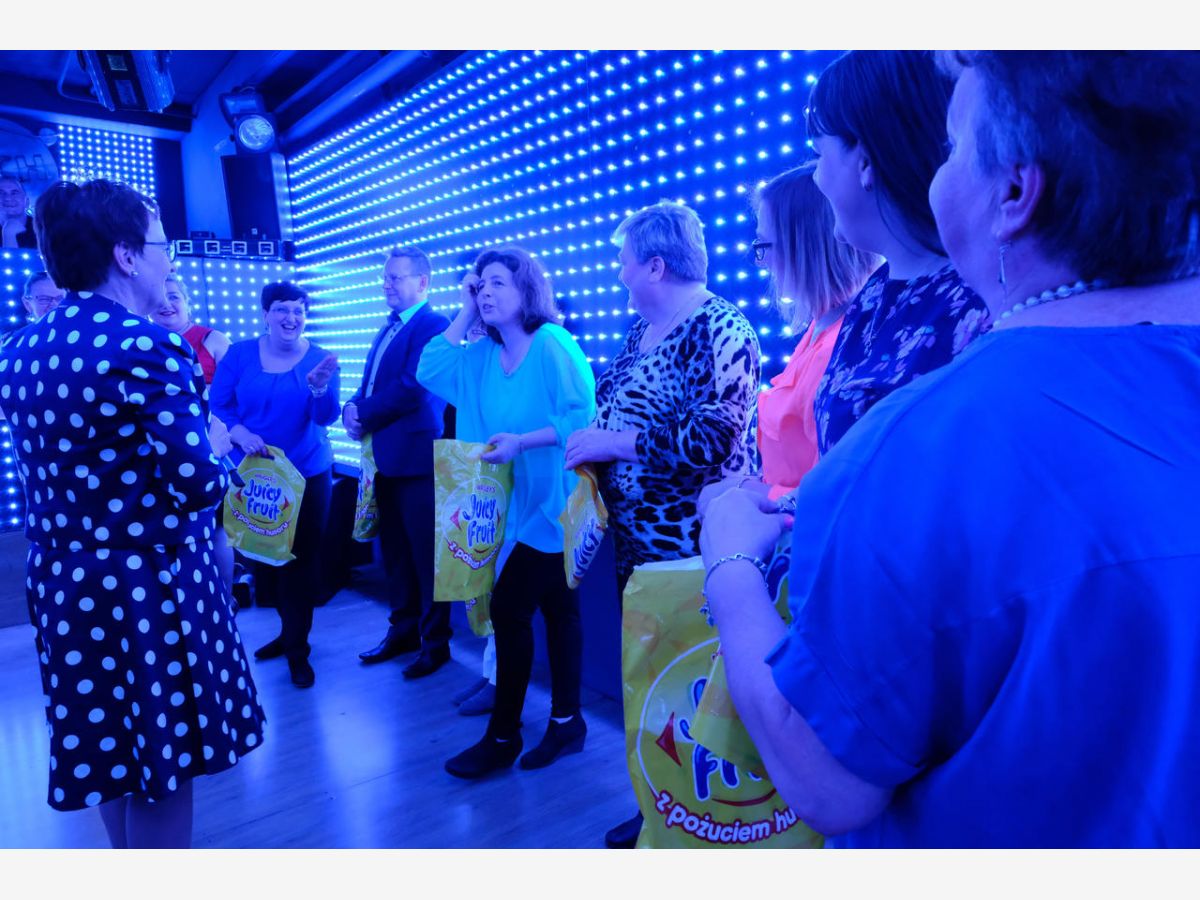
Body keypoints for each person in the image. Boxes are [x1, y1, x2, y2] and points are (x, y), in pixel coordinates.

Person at [699, 51, 1200, 847]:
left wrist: (728, 564)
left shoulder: (925, 444)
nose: (934, 176)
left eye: (954, 146)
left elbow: (825, 776)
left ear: (1013, 193)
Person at [0, 179, 264, 848]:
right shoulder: (145, 347)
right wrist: (221, 448)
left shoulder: (19, 351)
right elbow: (197, 485)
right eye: (160, 244)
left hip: (64, 583)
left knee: (112, 752)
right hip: (148, 585)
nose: (167, 258)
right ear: (125, 255)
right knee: (162, 764)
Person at [562, 200, 762, 848]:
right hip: (637, 550)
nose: (618, 273)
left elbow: (715, 435)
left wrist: (613, 444)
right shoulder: (638, 331)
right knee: (649, 683)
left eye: (624, 262)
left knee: (691, 689)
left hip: (689, 553)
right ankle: (660, 805)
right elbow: (617, 413)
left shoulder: (719, 325)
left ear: (654, 265)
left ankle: (707, 819)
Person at [417, 246, 596, 779]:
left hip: (553, 506)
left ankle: (502, 736)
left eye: (498, 282)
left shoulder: (552, 343)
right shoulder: (479, 357)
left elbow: (583, 417)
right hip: (504, 509)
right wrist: (465, 310)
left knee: (509, 609)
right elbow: (429, 368)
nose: (486, 292)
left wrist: (523, 442)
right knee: (561, 613)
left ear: (527, 290)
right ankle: (567, 722)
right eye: (480, 284)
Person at [804, 50, 991, 455]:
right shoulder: (876, 291)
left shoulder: (979, 300)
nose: (816, 178)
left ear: (865, 160)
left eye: (819, 155)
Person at [700, 164, 877, 518]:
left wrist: (749, 491)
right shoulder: (818, 328)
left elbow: (838, 498)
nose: (762, 262)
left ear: (806, 246)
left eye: (765, 245)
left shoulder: (842, 350)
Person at [210, 281, 340, 689]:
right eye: (282, 309)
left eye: (299, 310)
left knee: (300, 563)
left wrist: (319, 387)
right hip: (255, 476)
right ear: (266, 314)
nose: (291, 317)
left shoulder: (319, 359)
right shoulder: (240, 355)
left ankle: (298, 650)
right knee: (265, 561)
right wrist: (240, 433)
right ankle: (287, 634)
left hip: (306, 474)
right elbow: (219, 404)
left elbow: (325, 417)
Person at [345, 246, 453, 677]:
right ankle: (403, 631)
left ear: (423, 282)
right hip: (385, 460)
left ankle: (435, 644)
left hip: (418, 460)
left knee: (427, 559)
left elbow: (413, 387)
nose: (386, 284)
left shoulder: (434, 324)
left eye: (396, 277)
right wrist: (351, 407)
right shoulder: (389, 326)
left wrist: (363, 412)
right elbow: (372, 383)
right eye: (386, 277)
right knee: (395, 555)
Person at [151, 275, 232, 384]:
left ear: (186, 302)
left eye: (173, 297)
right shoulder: (139, 342)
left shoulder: (214, 339)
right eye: (157, 298)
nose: (165, 304)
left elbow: (237, 387)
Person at [1, 271, 65, 348]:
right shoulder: (11, 342)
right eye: (44, 299)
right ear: (27, 304)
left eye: (60, 298)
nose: (55, 305)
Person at [0, 175, 37, 249]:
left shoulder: (45, 229)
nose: (7, 198)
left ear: (27, 202)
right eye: (1, 193)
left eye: (15, 193)